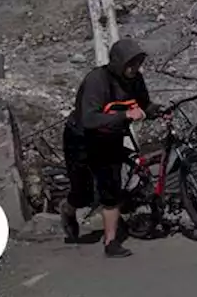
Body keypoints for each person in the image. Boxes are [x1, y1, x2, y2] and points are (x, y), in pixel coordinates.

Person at [60, 38, 156, 258]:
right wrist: (124, 115)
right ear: (118, 62)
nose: (134, 68)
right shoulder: (97, 81)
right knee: (81, 193)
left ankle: (111, 242)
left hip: (110, 139)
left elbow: (144, 105)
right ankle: (68, 209)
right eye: (130, 63)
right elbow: (90, 119)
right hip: (81, 138)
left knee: (111, 190)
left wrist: (157, 110)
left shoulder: (136, 80)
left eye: (138, 63)